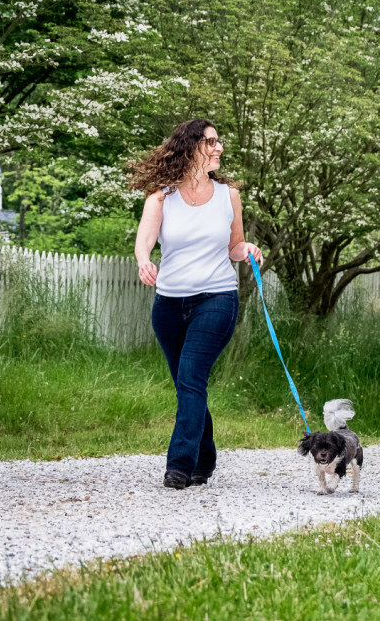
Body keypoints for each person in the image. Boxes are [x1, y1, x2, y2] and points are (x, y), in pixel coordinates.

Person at [130, 119, 263, 490]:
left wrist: (247, 248)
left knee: (191, 379)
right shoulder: (161, 196)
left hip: (217, 299)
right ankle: (206, 458)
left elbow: (234, 246)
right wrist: (144, 261)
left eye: (219, 142)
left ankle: (179, 466)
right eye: (211, 142)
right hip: (169, 306)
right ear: (190, 147)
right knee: (188, 385)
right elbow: (145, 241)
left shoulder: (228, 196)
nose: (219, 148)